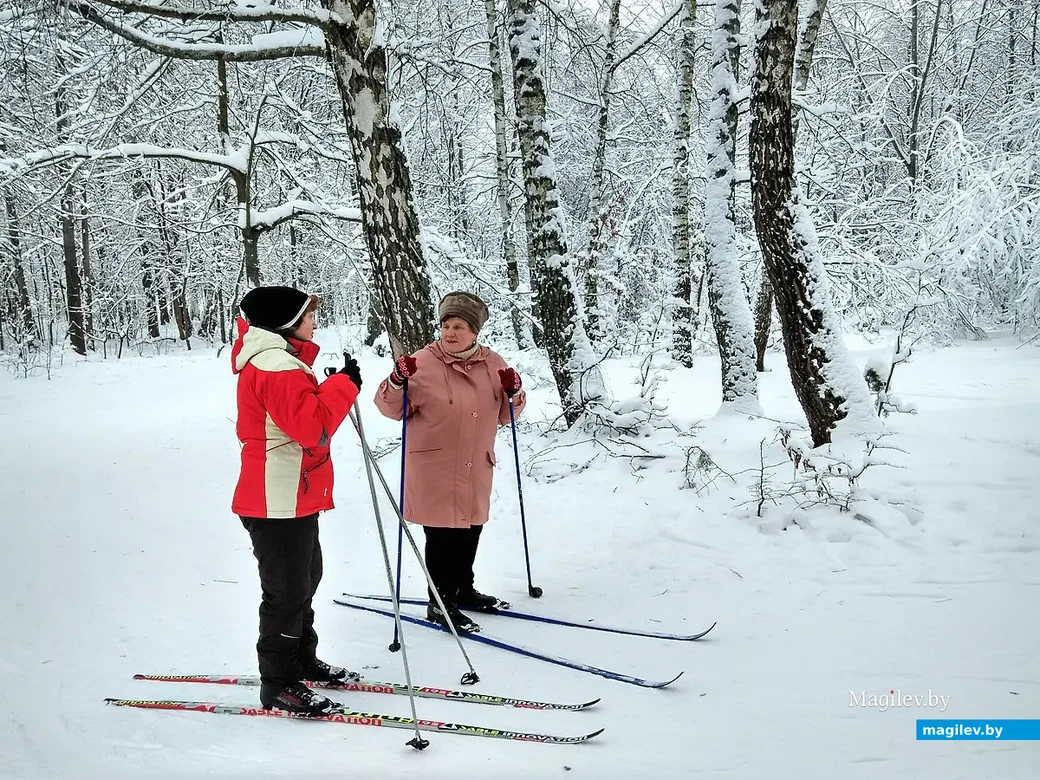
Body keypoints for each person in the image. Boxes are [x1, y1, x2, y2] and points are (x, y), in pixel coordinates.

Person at [231, 285, 363, 716]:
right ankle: (279, 682)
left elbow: (300, 416)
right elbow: (313, 429)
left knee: (306, 578)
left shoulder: (282, 364)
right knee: (286, 592)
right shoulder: (276, 367)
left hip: (291, 493)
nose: (315, 323)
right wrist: (343, 387)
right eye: (309, 316)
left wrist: (331, 387)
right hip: (277, 497)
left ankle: (300, 659)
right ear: (288, 323)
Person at [374, 291, 526, 633]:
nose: (450, 332)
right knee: (442, 534)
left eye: (459, 325)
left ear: (475, 331)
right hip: (434, 466)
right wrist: (396, 382)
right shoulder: (423, 362)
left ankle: (464, 590)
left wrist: (515, 393)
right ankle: (440, 601)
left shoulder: (493, 363)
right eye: (445, 325)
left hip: (475, 463)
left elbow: (506, 415)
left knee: (470, 528)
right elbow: (390, 408)